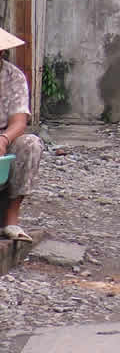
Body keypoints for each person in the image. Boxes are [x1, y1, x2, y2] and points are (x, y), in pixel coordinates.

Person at [0, 28, 44, 243]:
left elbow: (19, 122)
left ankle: (11, 218)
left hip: (3, 140)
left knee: (30, 144)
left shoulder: (13, 76)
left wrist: (4, 139)